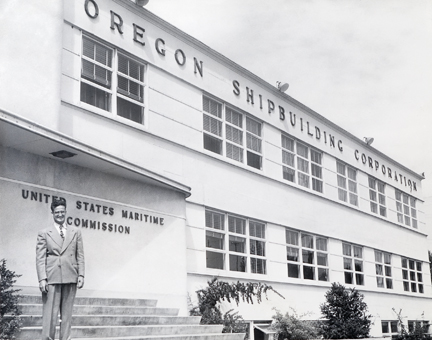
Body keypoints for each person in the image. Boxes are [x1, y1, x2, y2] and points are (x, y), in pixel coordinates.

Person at [36, 197, 85, 340]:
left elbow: (80, 255)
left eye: (62, 212)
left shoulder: (76, 231)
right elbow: (40, 258)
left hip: (71, 276)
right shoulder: (44, 233)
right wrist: (42, 279)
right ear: (52, 212)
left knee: (67, 317)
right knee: (50, 317)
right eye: (57, 212)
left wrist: (81, 275)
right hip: (52, 277)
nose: (60, 215)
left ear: (66, 212)